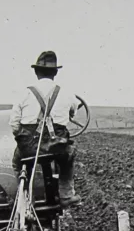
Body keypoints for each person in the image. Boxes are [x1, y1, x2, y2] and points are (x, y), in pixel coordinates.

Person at [9, 51, 83, 207]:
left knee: (17, 163)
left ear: (36, 72)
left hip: (30, 147)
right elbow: (73, 112)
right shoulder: (66, 93)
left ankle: (25, 197)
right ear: (55, 72)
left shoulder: (25, 93)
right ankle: (66, 195)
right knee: (68, 156)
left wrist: (23, 138)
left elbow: (14, 124)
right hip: (57, 146)